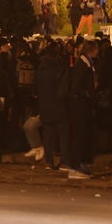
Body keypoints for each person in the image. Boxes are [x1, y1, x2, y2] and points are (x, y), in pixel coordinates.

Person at [34, 42, 70, 170]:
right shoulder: (60, 68)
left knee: (48, 135)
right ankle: (64, 161)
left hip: (45, 105)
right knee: (63, 135)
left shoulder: (40, 69)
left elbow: (37, 88)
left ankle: (49, 161)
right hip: (59, 105)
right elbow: (64, 89)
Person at [67, 40, 98, 179]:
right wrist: (87, 93)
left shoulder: (88, 64)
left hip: (84, 104)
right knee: (79, 134)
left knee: (84, 134)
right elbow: (76, 86)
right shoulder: (83, 64)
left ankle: (80, 162)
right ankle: (75, 165)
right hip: (80, 105)